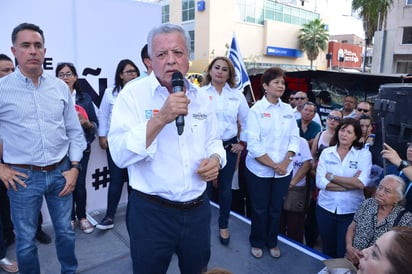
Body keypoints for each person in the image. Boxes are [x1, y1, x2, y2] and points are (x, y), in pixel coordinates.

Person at [108, 23, 226, 273]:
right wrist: (160, 118)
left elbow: (214, 140)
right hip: (151, 213)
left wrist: (216, 158)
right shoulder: (132, 95)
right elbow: (118, 154)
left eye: (178, 52)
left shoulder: (202, 97)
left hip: (198, 209)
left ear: (188, 58)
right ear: (150, 60)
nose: (171, 61)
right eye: (162, 54)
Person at [0, 22, 86, 273]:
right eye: (26, 45)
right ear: (14, 50)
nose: (33, 51)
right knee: (25, 243)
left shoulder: (59, 87)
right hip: (22, 178)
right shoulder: (2, 89)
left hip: (61, 173)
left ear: (45, 50)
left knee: (66, 235)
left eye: (38, 45)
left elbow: (74, 131)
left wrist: (75, 167)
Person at [245, 67, 300, 259]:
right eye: (276, 82)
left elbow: (295, 138)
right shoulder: (256, 111)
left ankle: (272, 241)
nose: (281, 86)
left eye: (283, 83)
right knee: (260, 209)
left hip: (284, 170)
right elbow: (254, 145)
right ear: (265, 86)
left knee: (276, 208)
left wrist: (285, 162)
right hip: (260, 171)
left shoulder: (287, 110)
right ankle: (257, 241)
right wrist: (274, 165)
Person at [201, 56, 249, 245]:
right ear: (210, 70)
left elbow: (247, 122)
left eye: (224, 69)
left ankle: (223, 225)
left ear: (229, 74)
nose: (220, 71)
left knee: (225, 189)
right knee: (204, 189)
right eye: (217, 67)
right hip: (205, 147)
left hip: (228, 146)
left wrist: (242, 143)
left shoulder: (236, 95)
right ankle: (202, 225)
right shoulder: (200, 93)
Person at [316, 118, 372, 258]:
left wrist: (332, 177)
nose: (344, 134)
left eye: (349, 132)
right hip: (325, 208)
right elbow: (320, 182)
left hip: (350, 212)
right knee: (327, 248)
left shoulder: (364, 154)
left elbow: (361, 183)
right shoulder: (327, 152)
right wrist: (349, 184)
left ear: (356, 136)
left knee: (344, 251)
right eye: (342, 130)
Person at [96, 59, 140, 230]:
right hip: (116, 144)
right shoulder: (110, 93)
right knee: (116, 180)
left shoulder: (140, 92)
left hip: (136, 143)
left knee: (133, 181)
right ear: (120, 75)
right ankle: (109, 216)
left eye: (135, 71)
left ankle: (134, 215)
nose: (133, 75)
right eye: (129, 72)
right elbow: (102, 115)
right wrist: (102, 136)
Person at [56, 62, 98, 234]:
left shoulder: (85, 98)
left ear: (75, 77)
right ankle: (70, 218)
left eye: (68, 74)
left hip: (82, 147)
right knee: (65, 185)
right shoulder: (52, 97)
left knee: (79, 184)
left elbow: (95, 125)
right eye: (61, 75)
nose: (65, 78)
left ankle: (82, 217)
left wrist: (87, 123)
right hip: (60, 150)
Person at [345, 175, 412, 265]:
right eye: (380, 188)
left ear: (398, 198)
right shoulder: (368, 203)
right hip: (351, 260)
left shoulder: (406, 219)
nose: (380, 193)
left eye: (387, 191)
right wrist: (349, 247)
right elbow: (352, 227)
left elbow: (399, 253)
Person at [305, 109, 343, 248]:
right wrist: (314, 172)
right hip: (316, 179)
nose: (333, 120)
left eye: (337, 118)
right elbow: (311, 157)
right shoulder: (320, 134)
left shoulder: (342, 139)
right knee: (313, 211)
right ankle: (310, 241)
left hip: (334, 180)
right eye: (330, 117)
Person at [280, 136, 312, 243]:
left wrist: (292, 183)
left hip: (296, 190)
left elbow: (307, 164)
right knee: (277, 223)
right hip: (277, 186)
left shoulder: (302, 141)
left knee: (295, 227)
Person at [381, 142, 412, 212]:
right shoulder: (391, 169)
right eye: (410, 145)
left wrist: (400, 162)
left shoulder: (398, 162)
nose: (410, 149)